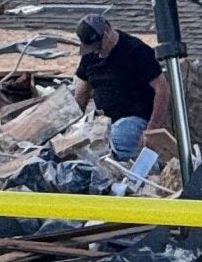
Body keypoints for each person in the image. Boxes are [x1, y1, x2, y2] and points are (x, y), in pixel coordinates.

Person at [72, 15, 170, 163]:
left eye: (99, 46)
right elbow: (81, 92)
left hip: (134, 119)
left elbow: (162, 89)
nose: (97, 52)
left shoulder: (136, 51)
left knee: (112, 148)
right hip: (103, 120)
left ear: (107, 31)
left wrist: (153, 128)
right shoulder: (90, 55)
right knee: (81, 149)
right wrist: (72, 124)